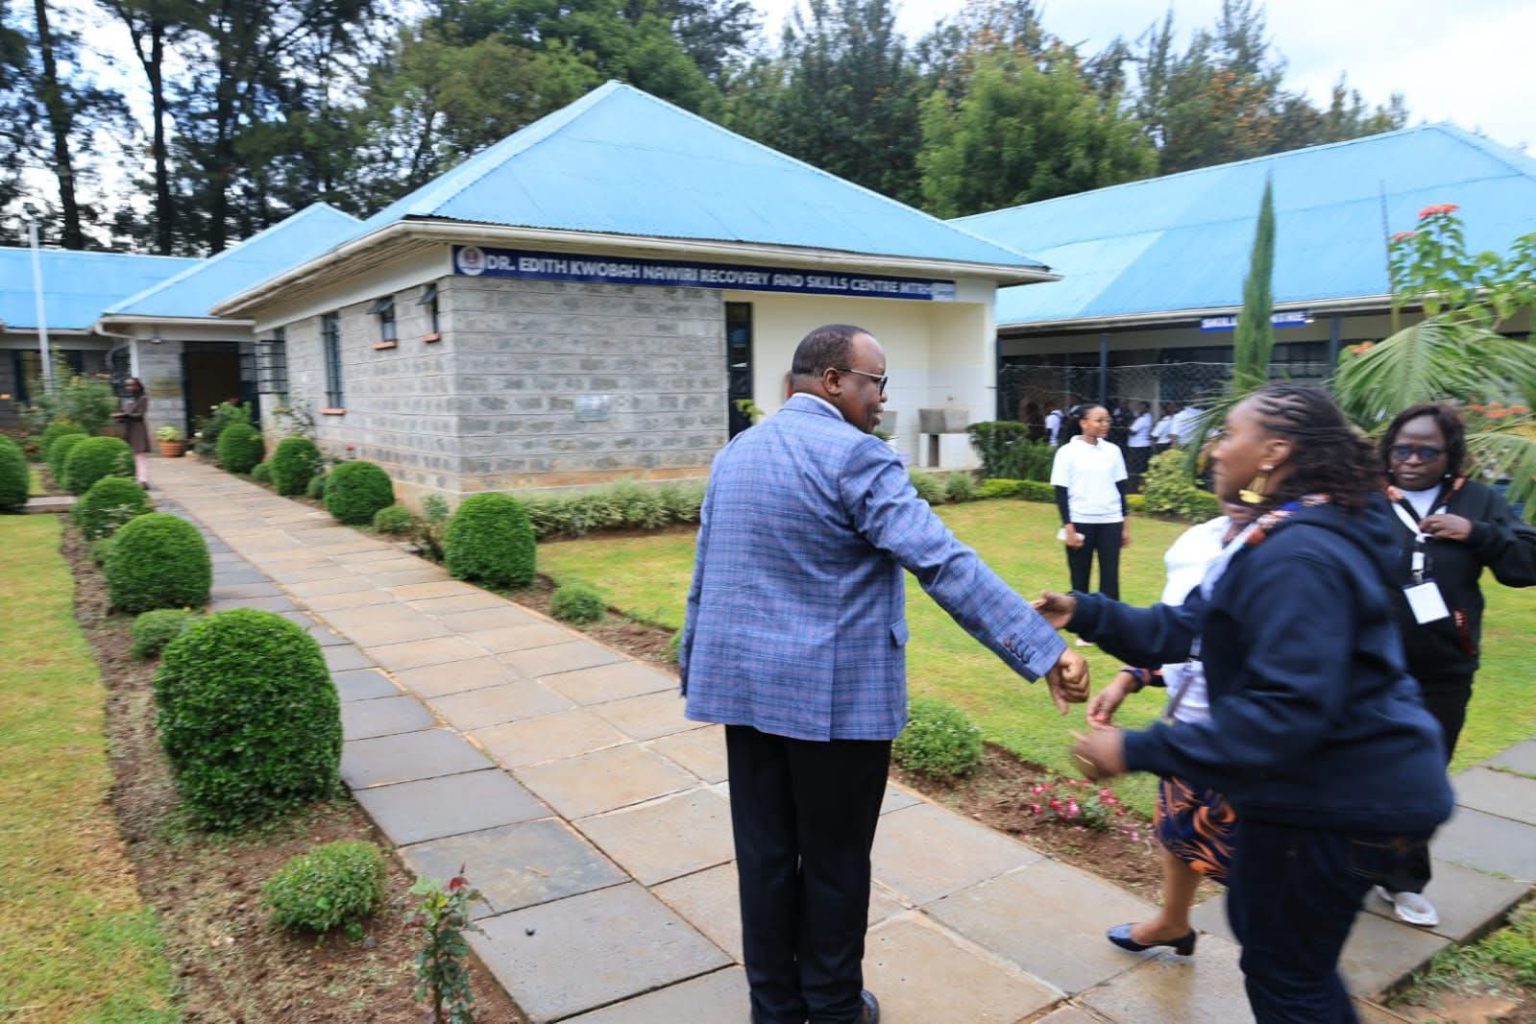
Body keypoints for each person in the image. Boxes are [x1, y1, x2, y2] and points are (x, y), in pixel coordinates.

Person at [680, 323, 1090, 1024]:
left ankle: (775, 1008)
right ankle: (835, 1007)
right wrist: (1042, 648)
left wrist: (697, 665)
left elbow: (704, 576)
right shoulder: (857, 456)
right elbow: (942, 560)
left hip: (745, 695)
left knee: (765, 857)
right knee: (835, 863)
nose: (883, 398)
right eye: (877, 382)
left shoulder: (736, 453)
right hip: (836, 705)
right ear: (833, 380)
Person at [1042, 383, 1454, 1024]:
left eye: (1230, 434)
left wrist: (1136, 748)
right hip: (1323, 790)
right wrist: (1084, 611)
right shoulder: (1283, 533)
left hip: (1340, 798)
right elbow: (1186, 627)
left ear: (1274, 452)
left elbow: (1285, 711)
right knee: (1282, 954)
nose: (1216, 448)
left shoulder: (1301, 554)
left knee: (1289, 975)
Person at [1370, 403, 1536, 927]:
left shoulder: (1478, 500)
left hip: (1442, 673)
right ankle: (1351, 866)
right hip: (1366, 669)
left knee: (1420, 780)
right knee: (1358, 772)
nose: (1412, 460)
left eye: (1428, 452)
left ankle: (1402, 881)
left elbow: (1526, 563)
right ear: (1388, 451)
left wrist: (1478, 532)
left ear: (1449, 456)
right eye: (1403, 449)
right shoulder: (1365, 497)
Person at [1088, 502, 1252, 958]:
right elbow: (1183, 635)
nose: (1224, 473)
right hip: (1190, 735)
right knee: (1177, 831)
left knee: (1255, 866)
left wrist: (1132, 750)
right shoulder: (1203, 540)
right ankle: (1174, 923)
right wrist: (1131, 677)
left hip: (1250, 746)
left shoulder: (1290, 555)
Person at [1051, 404, 1131, 619]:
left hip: (1111, 521)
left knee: (1110, 577)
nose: (1105, 424)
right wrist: (1068, 527)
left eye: (1107, 420)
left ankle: (1111, 623)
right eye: (1099, 420)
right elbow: (1061, 492)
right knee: (1080, 578)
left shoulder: (1113, 451)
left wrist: (1125, 526)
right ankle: (1082, 624)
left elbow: (1121, 490)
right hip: (1080, 521)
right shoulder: (1067, 452)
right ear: (1084, 423)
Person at [112, 376, 151, 487]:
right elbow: (124, 413)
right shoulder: (128, 400)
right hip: (128, 429)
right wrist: (119, 417)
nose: (129, 388)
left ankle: (143, 480)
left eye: (132, 385)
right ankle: (133, 477)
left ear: (138, 386)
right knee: (130, 455)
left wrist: (125, 415)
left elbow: (140, 414)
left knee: (140, 455)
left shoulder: (143, 398)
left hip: (138, 430)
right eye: (127, 385)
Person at [1126, 401, 1154, 476]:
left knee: (1135, 468)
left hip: (1137, 446)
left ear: (1147, 409)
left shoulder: (1142, 419)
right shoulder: (1148, 417)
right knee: (1141, 467)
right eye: (1138, 407)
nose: (1139, 409)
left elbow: (1132, 431)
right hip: (1142, 445)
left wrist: (1128, 425)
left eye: (1142, 407)